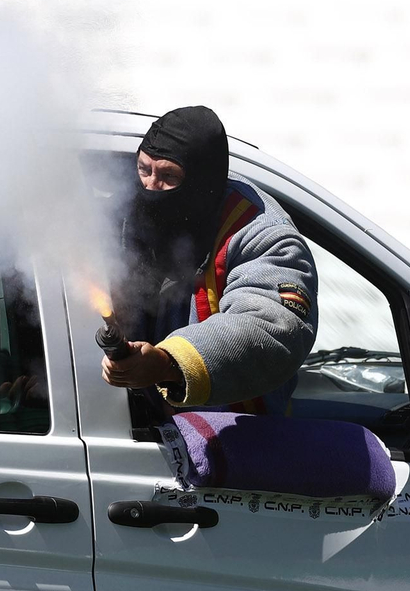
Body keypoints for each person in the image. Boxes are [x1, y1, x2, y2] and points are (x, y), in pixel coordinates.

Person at [103, 106, 318, 414]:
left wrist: (167, 363)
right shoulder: (119, 212)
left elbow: (272, 327)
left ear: (201, 183)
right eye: (143, 169)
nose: (150, 187)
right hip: (137, 428)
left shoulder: (260, 232)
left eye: (168, 176)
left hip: (239, 431)